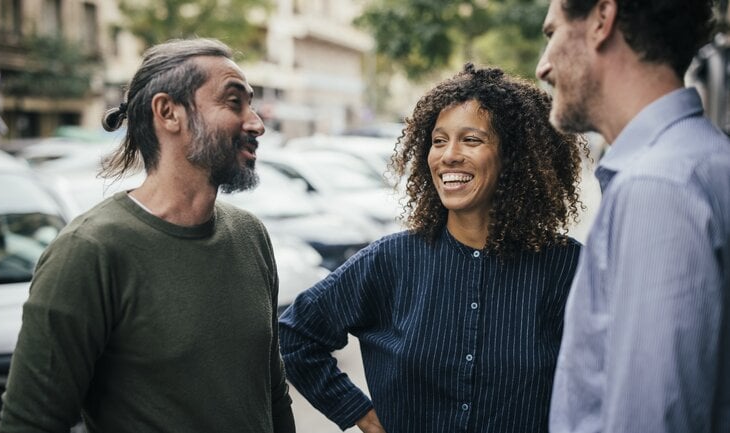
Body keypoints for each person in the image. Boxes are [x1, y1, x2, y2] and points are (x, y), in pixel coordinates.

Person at [0, 38, 295, 433]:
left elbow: (273, 392)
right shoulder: (88, 251)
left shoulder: (250, 235)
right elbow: (30, 424)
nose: (256, 123)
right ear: (168, 112)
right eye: (234, 102)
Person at [279, 63, 587, 433]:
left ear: (513, 157)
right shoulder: (392, 260)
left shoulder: (567, 267)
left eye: (471, 140)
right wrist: (360, 413)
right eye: (439, 141)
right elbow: (296, 335)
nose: (448, 155)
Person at [536, 1, 730, 432]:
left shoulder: (658, 187)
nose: (542, 67)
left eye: (552, 35)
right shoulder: (705, 160)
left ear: (602, 19)